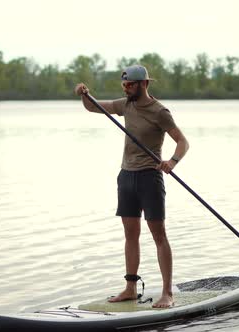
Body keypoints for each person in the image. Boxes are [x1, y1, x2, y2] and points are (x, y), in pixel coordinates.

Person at [74, 65, 189, 308]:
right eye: (123, 85)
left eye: (130, 85)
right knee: (130, 235)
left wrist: (172, 161)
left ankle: (167, 292)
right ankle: (130, 287)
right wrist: (85, 94)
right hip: (126, 177)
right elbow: (93, 107)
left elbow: (182, 142)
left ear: (144, 84)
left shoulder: (160, 112)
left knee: (159, 235)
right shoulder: (125, 105)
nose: (125, 88)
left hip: (150, 177)